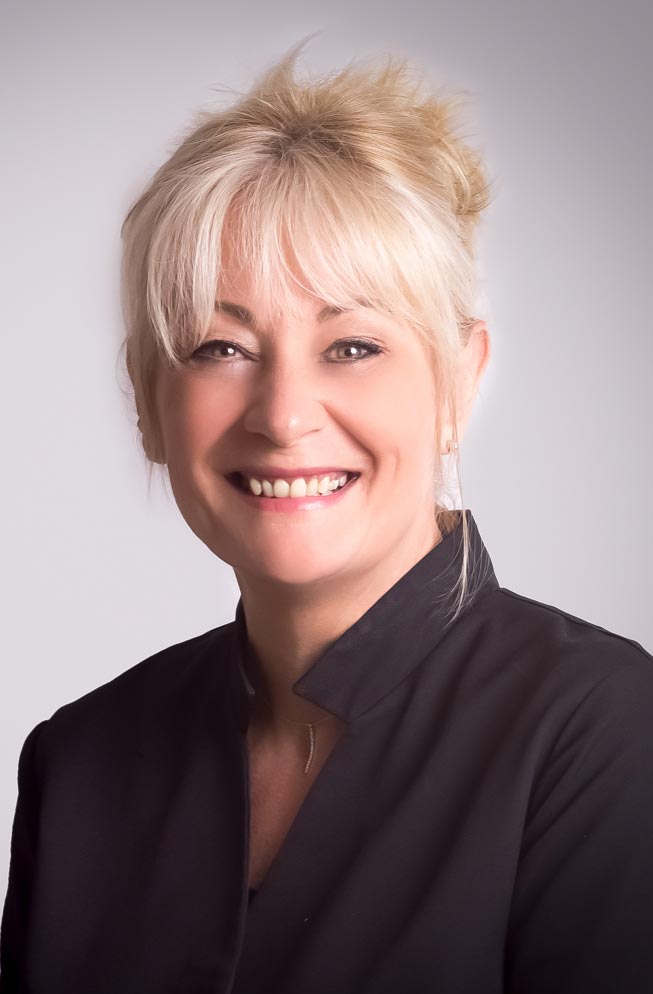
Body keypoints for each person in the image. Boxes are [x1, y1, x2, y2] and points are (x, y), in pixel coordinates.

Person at [1, 36, 652, 994]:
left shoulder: (607, 733)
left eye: (351, 346)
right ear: (145, 398)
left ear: (458, 381)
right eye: (219, 347)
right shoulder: (77, 762)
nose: (282, 415)